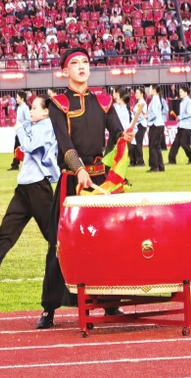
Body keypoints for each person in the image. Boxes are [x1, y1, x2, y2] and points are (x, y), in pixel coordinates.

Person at [37, 47, 131, 329]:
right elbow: (65, 143)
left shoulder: (103, 100)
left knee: (107, 240)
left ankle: (110, 302)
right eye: (75, 63)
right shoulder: (58, 104)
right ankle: (49, 308)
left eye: (85, 62)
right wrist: (78, 169)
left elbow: (117, 131)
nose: (81, 66)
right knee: (60, 243)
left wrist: (124, 136)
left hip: (100, 181)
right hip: (71, 182)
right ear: (65, 71)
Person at [0, 96, 59, 284]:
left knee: (52, 234)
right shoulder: (37, 126)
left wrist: (19, 128)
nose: (31, 111)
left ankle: (73, 264)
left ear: (46, 112)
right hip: (26, 186)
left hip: (38, 187)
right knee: (8, 227)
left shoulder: (46, 127)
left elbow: (29, 146)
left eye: (34, 108)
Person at [168, 84, 191, 165]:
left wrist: (180, 117)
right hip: (181, 125)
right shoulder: (182, 102)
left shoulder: (189, 102)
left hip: (187, 126)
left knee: (184, 143)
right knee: (176, 143)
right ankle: (171, 160)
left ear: (186, 92)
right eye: (179, 92)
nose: (180, 93)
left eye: (181, 92)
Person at [147, 85, 166, 172]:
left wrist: (147, 117)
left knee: (153, 147)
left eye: (150, 89)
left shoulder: (155, 99)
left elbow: (154, 114)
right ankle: (160, 166)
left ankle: (154, 167)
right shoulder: (158, 98)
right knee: (157, 147)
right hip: (160, 124)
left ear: (154, 90)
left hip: (155, 125)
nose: (149, 90)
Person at [8, 92, 30, 170]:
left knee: (22, 149)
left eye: (17, 97)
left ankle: (17, 164)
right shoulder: (19, 107)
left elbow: (28, 120)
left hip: (23, 133)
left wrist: (21, 125)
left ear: (22, 98)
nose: (16, 99)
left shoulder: (25, 108)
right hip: (19, 132)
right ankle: (15, 164)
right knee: (16, 148)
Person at [131, 87, 147, 167]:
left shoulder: (142, 103)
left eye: (137, 93)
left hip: (140, 124)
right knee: (134, 143)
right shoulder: (138, 103)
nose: (135, 94)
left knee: (138, 142)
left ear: (142, 94)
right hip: (136, 124)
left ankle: (140, 161)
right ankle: (133, 161)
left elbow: (142, 115)